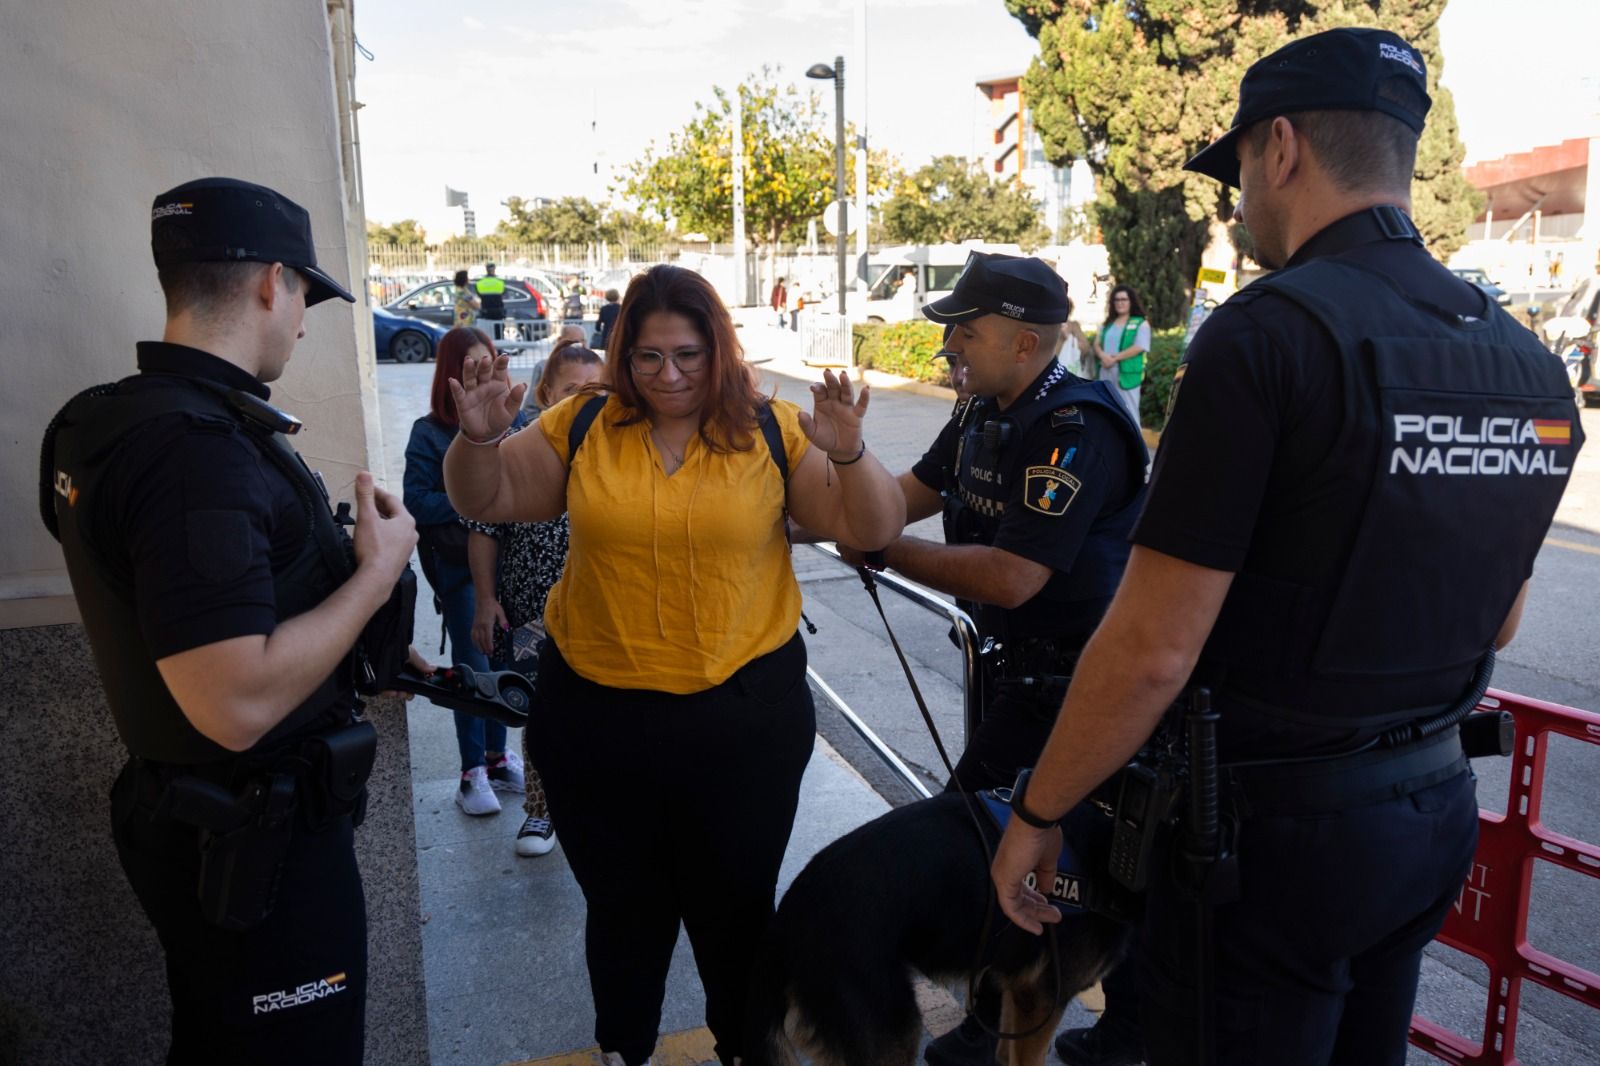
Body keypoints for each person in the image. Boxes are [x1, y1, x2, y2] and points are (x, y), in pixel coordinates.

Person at [990, 28, 1584, 1066]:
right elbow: (1499, 616)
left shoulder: (1268, 335)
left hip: (1268, 844)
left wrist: (1038, 809)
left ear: (1279, 147)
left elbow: (1152, 648)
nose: (1238, 206)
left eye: (1238, 178)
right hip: (1431, 811)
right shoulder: (1526, 364)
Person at [443, 264, 905, 1065]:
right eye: (649, 358)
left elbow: (867, 527)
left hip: (743, 721)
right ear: (625, 357)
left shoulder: (773, 428)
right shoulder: (582, 423)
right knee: (623, 911)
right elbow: (485, 498)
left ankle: (744, 1045)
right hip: (595, 719)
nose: (669, 376)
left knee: (736, 909)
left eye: (688, 354)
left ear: (718, 349)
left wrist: (852, 452)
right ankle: (625, 1046)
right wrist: (478, 437)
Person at [41, 177, 419, 1064]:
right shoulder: (195, 452)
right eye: (304, 297)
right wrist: (377, 573)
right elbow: (234, 701)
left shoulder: (101, 420)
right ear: (268, 284)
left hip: (208, 832)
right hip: (258, 844)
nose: (300, 320)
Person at [832, 252, 1147, 1066]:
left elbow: (1012, 576)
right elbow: (902, 495)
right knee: (995, 844)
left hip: (1085, 688)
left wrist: (882, 549)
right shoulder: (982, 410)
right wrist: (813, 505)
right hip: (1020, 673)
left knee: (1097, 868)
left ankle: (1111, 1029)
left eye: (964, 332)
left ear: (1024, 341)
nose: (949, 349)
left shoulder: (1078, 428)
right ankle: (996, 1014)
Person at [466, 344, 606, 857]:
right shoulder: (521, 449)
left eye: (598, 391)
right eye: (574, 391)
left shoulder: (616, 449)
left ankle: (598, 806)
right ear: (547, 393)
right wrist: (485, 600)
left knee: (603, 713)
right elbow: (483, 529)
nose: (587, 402)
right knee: (544, 712)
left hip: (602, 612)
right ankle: (541, 813)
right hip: (532, 613)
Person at [405, 327, 527, 817]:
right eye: (470, 364)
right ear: (451, 374)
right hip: (458, 571)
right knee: (473, 667)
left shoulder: (513, 423)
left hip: (508, 569)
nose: (482, 372)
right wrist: (474, 503)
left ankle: (497, 759)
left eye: (489, 361)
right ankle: (470, 770)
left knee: (501, 664)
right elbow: (417, 500)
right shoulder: (429, 430)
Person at [1092, 285, 1150, 425]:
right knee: (1106, 411)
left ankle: (1134, 446)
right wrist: (1102, 356)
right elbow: (1096, 344)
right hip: (1106, 371)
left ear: (1131, 302)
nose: (1120, 303)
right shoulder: (1107, 324)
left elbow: (1140, 346)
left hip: (1127, 375)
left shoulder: (1141, 324)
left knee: (1129, 411)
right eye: (1116, 300)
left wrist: (1114, 358)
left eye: (1124, 299)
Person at [476, 262, 507, 338]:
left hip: (486, 312)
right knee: (499, 334)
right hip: (498, 312)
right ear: (494, 269)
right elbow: (503, 293)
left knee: (487, 335)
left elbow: (479, 295)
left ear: (486, 270)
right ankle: (499, 350)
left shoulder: (480, 283)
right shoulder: (500, 283)